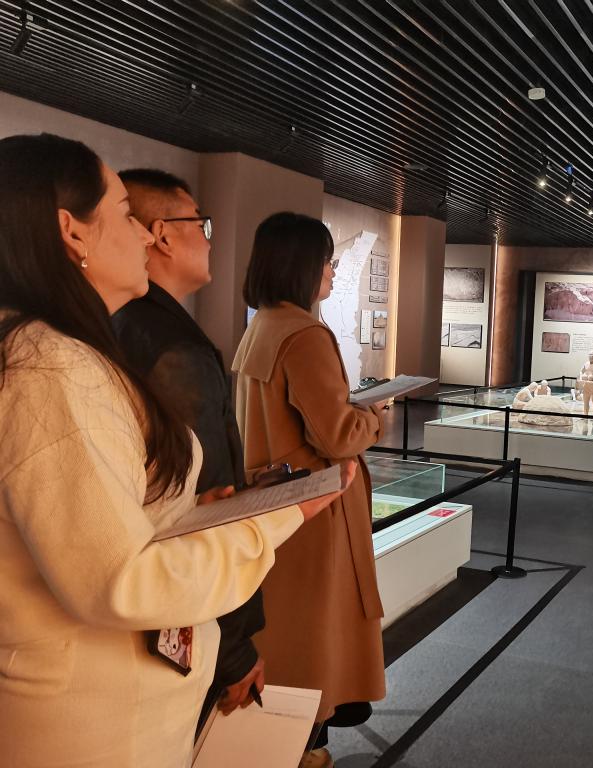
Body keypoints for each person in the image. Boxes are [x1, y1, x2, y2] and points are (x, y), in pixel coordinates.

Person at [0, 133, 347, 768]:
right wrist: (269, 521)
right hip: (95, 726)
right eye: (123, 214)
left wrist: (187, 519)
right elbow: (118, 581)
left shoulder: (56, 354)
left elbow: (93, 525)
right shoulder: (50, 368)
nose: (142, 235)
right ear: (72, 232)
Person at [112, 168, 266, 727]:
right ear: (161, 234)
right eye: (202, 224)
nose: (208, 238)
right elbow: (201, 504)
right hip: (183, 609)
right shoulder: (172, 347)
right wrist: (235, 650)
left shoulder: (122, 324)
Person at [233, 212, 386, 768]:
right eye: (326, 260)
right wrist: (375, 418)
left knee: (286, 635)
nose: (332, 270)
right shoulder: (304, 335)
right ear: (301, 265)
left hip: (276, 508)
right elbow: (337, 435)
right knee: (315, 642)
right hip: (316, 511)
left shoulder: (262, 327)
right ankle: (305, 750)